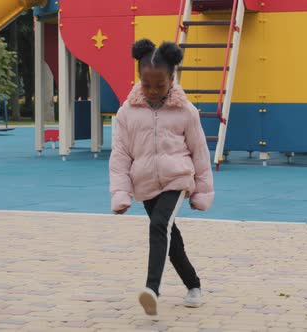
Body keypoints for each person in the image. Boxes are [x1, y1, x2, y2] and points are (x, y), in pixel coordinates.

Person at [109, 38, 215, 316]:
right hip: (145, 184)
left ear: (172, 78)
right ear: (138, 78)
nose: (154, 91)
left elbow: (200, 152)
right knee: (169, 237)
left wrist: (202, 191)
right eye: (147, 85)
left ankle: (152, 290)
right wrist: (121, 192)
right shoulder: (126, 113)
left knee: (159, 226)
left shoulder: (186, 111)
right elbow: (120, 156)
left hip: (177, 179)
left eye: (161, 85)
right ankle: (193, 285)